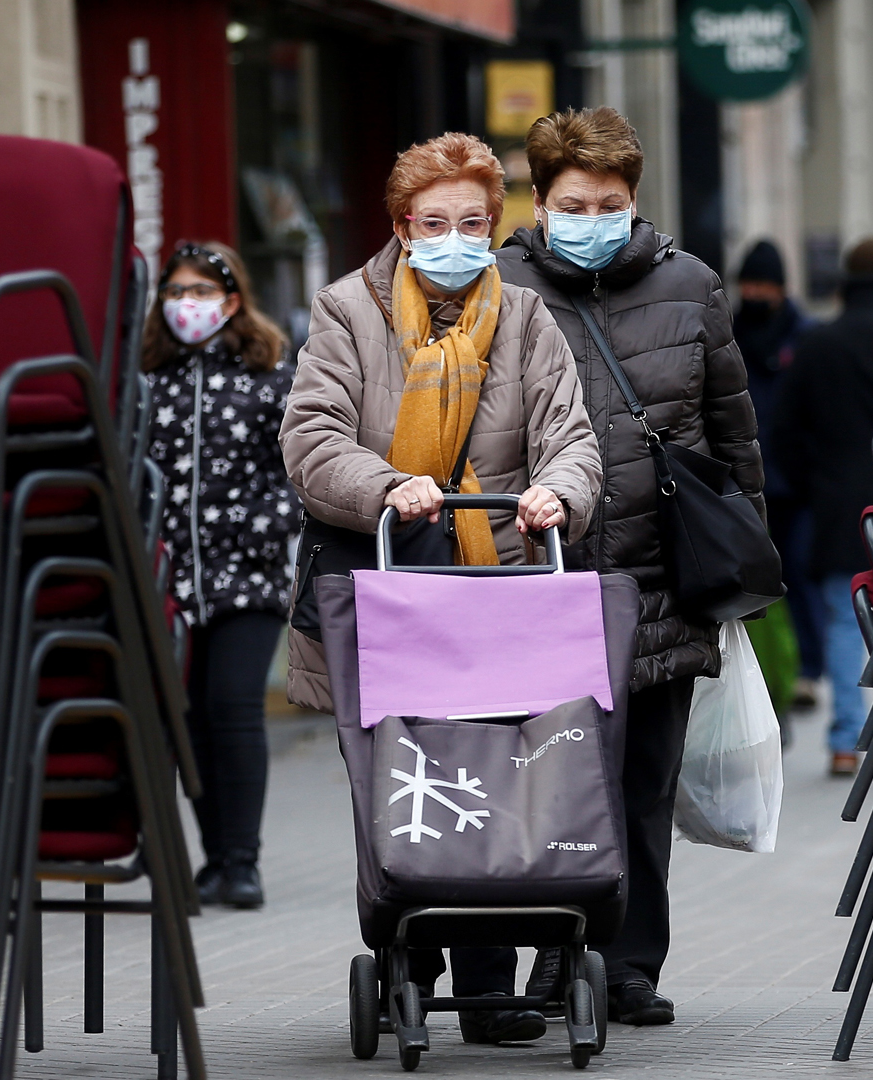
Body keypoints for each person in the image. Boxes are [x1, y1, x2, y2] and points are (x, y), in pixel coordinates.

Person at [279, 132, 600, 1044]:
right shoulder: (347, 310)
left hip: (496, 585)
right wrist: (387, 485)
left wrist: (558, 491)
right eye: (434, 222)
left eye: (472, 222)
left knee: (501, 777)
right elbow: (312, 440)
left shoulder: (528, 318)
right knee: (400, 779)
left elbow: (572, 439)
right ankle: (409, 965)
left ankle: (492, 989)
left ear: (494, 225)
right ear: (400, 226)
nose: (454, 237)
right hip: (383, 586)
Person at [498, 106, 764, 1027]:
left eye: (610, 202)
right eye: (574, 203)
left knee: (643, 782)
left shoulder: (690, 286)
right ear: (539, 202)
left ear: (635, 198)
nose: (593, 218)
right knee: (545, 779)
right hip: (540, 579)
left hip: (659, 576)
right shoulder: (499, 288)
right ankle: (549, 957)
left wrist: (740, 568)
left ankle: (626, 963)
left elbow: (732, 435)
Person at [144, 240, 297, 910]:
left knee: (235, 710)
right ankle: (211, 858)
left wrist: (257, 527)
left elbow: (298, 472)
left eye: (201, 292)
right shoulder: (148, 381)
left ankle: (243, 861)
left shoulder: (269, 378)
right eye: (176, 292)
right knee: (189, 719)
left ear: (232, 301)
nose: (187, 304)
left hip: (248, 580)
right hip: (169, 582)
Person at [772, 238, 873, 776]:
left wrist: (814, 485)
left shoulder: (819, 344)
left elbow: (783, 431)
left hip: (837, 508)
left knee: (843, 623)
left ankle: (846, 741)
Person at [731, 240, 825, 718]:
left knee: (799, 578)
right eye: (748, 284)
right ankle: (767, 674)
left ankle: (808, 668)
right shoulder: (728, 332)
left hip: (793, 482)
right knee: (757, 583)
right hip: (745, 482)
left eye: (762, 285)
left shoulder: (803, 336)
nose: (754, 293)